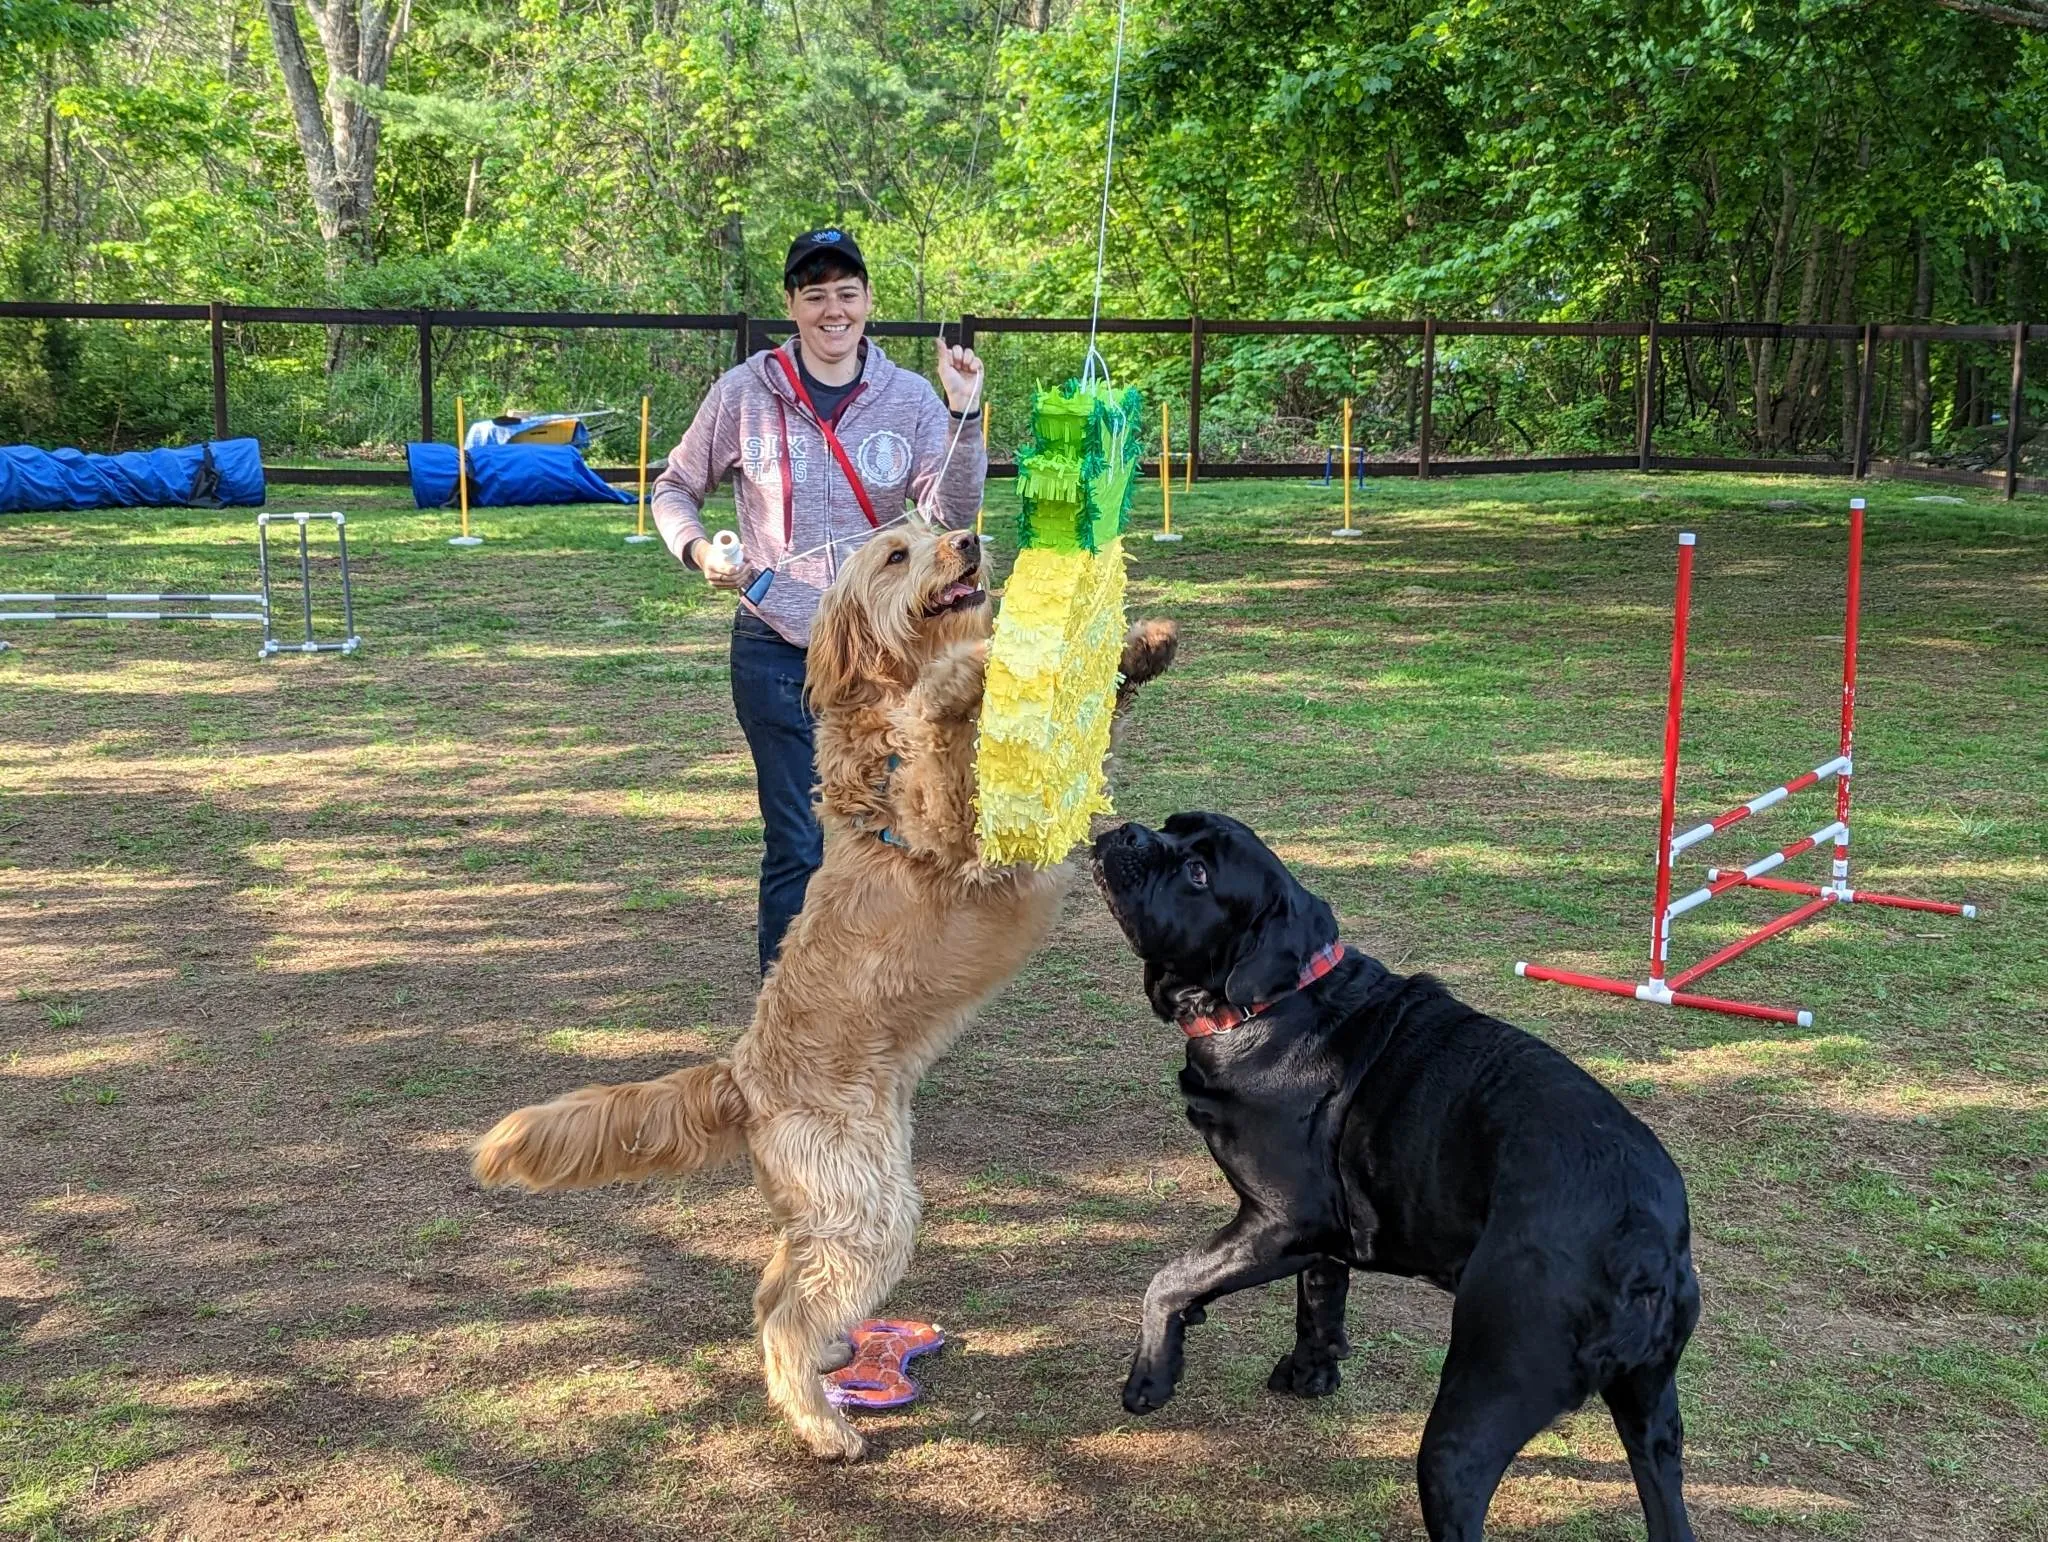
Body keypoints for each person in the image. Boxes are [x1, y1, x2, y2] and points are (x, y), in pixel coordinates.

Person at [651, 229, 987, 974]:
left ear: (867, 301)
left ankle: (877, 1005)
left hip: (890, 662)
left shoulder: (908, 398)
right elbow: (673, 486)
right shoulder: (745, 392)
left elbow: (952, 511)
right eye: (815, 294)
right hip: (778, 650)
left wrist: (963, 415)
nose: (832, 310)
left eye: (846, 293)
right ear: (792, 305)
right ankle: (790, 1017)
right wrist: (701, 549)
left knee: (897, 835)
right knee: (798, 841)